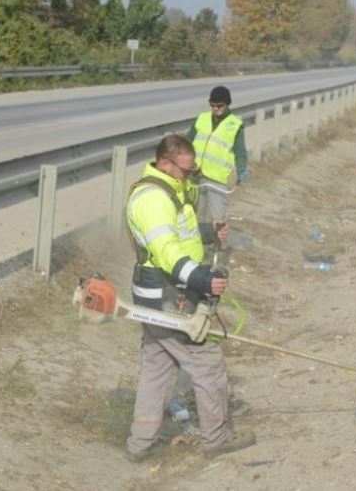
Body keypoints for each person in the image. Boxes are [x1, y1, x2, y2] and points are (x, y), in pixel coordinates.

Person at [124, 134, 256, 462]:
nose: (191, 174)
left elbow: (179, 234)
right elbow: (167, 252)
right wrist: (202, 279)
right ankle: (216, 437)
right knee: (207, 363)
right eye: (186, 170)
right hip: (168, 296)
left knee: (158, 367)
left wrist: (208, 232)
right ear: (166, 164)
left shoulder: (173, 189)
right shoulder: (152, 199)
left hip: (159, 294)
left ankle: (140, 445)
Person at [187, 85, 248, 223]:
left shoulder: (235, 125)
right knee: (195, 216)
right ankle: (198, 243)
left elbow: (240, 152)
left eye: (219, 106)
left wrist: (241, 168)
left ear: (227, 104)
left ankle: (217, 244)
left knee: (217, 219)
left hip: (216, 179)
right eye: (212, 105)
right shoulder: (201, 118)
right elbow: (187, 142)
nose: (215, 109)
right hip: (195, 175)